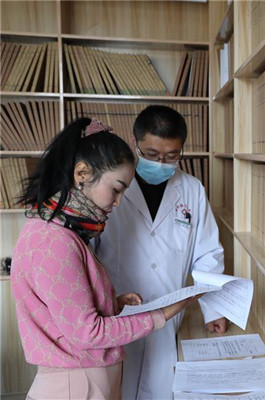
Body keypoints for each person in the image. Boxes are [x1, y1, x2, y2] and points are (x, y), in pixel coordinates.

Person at [11, 117, 198, 399]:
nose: (118, 202)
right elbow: (88, 333)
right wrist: (161, 314)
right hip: (77, 387)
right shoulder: (55, 240)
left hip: (86, 381)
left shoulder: (62, 229)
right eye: (116, 189)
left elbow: (67, 310)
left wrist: (112, 302)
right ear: (82, 174)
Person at [94, 105, 228, 399]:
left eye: (171, 156)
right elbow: (89, 250)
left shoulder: (192, 189)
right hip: (116, 316)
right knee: (116, 389)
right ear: (134, 143)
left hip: (168, 316)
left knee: (160, 388)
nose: (161, 163)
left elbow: (207, 254)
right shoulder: (110, 188)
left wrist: (214, 309)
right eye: (152, 155)